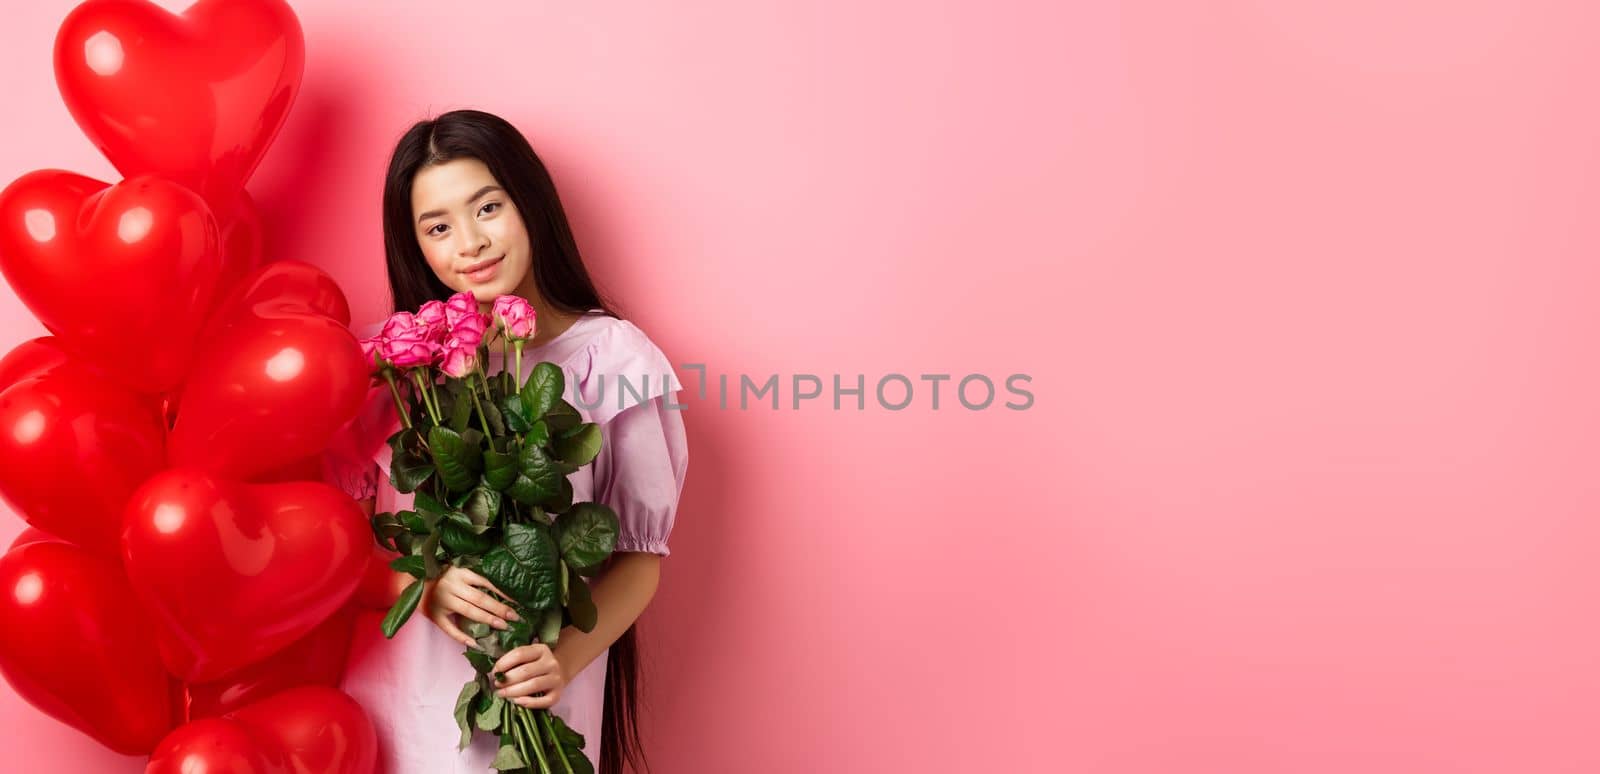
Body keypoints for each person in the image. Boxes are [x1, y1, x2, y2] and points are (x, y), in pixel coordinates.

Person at [323, 108, 688, 774]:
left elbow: (639, 558)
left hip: (531, 705)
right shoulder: (392, 373)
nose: (469, 243)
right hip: (392, 708)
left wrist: (562, 662)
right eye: (438, 226)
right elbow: (334, 547)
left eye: (487, 208)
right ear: (416, 245)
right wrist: (421, 587)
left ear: (530, 203)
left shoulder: (611, 361)